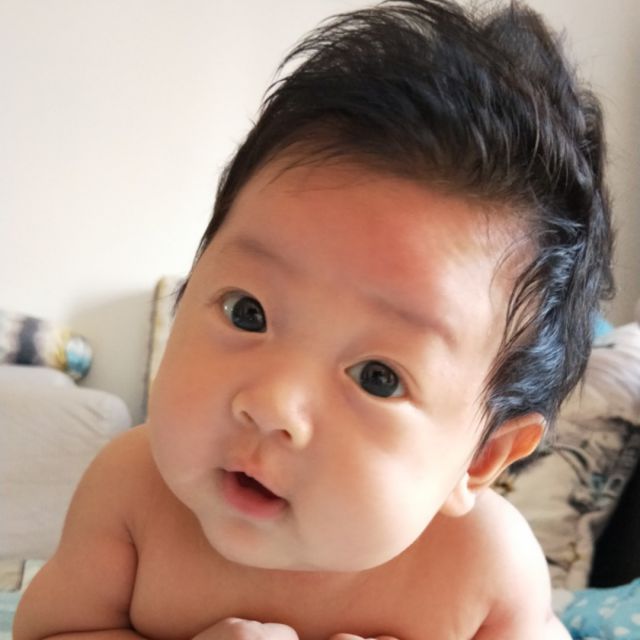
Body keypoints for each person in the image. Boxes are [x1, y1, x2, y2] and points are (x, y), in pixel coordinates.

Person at [14, 0, 614, 638]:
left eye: (379, 376)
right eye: (248, 313)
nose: (271, 405)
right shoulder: (132, 490)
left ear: (481, 457)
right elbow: (48, 630)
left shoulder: (485, 571)